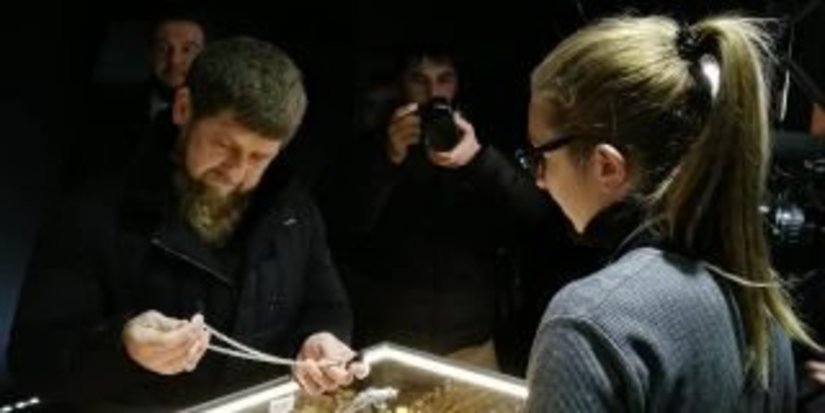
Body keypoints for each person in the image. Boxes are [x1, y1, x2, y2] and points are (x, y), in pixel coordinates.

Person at [9, 37, 364, 409]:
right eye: (224, 146)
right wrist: (122, 347)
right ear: (183, 108)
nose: (236, 173)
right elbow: (34, 361)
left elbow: (327, 304)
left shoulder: (293, 209)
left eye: (259, 157)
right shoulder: (96, 209)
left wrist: (319, 338)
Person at [523, 15, 819, 411]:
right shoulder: (758, 298)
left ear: (607, 166)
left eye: (540, 157)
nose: (539, 179)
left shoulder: (588, 323)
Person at [320, 46, 586, 371]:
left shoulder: (482, 138)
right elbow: (341, 230)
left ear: (459, 82)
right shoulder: (369, 144)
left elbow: (537, 217)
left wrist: (480, 160)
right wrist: (386, 157)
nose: (433, 92)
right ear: (401, 83)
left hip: (471, 341)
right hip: (390, 344)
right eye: (419, 80)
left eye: (444, 79)